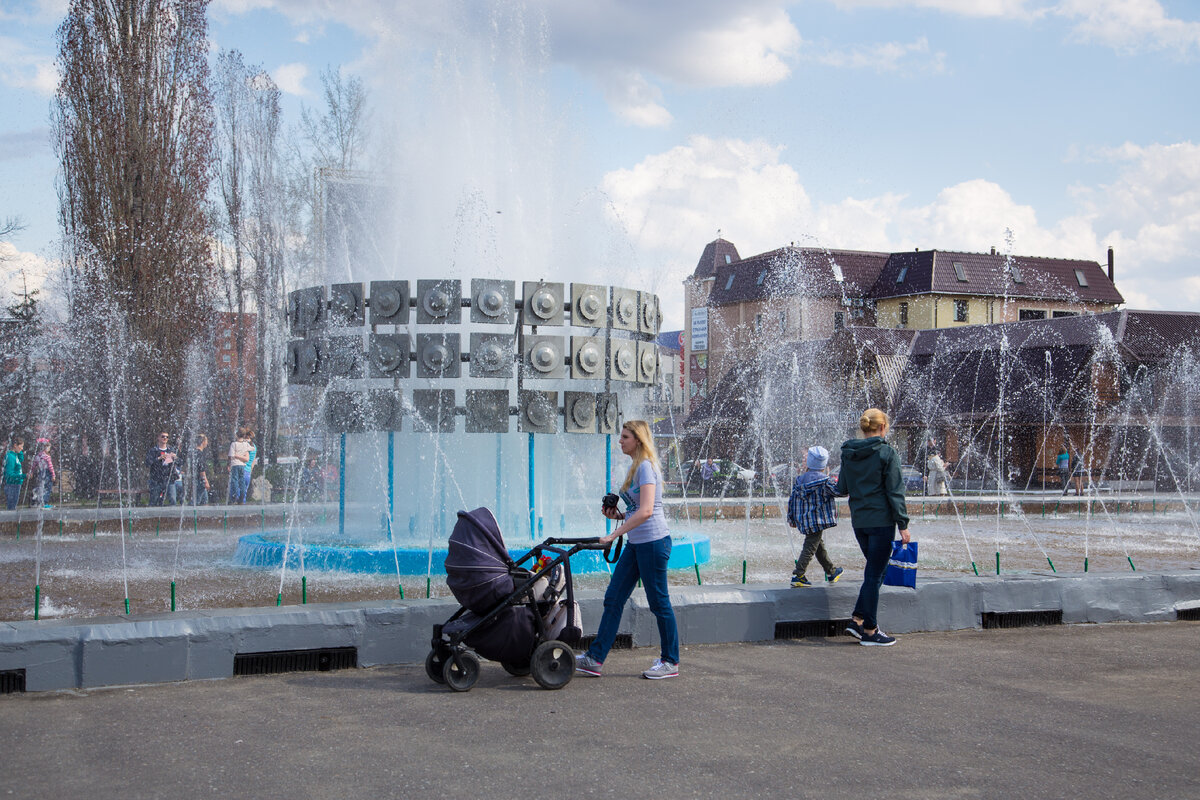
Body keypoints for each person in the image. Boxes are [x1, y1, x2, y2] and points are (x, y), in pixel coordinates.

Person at [576, 420, 680, 680]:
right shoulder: (635, 468)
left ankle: (670, 661)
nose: (620, 441)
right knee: (613, 598)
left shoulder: (646, 467)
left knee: (659, 602)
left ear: (638, 440)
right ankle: (595, 659)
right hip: (637, 544)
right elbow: (637, 510)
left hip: (653, 543)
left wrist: (613, 534)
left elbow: (647, 511)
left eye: (625, 437)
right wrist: (617, 515)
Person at [836, 408, 912, 647]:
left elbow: (842, 488)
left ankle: (857, 620)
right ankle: (870, 630)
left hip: (859, 522)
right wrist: (903, 525)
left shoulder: (848, 453)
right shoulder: (886, 453)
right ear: (882, 428)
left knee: (874, 572)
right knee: (875, 574)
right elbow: (895, 491)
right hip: (881, 522)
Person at [786, 445, 845, 587]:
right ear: (823, 464)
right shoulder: (825, 482)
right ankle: (798, 575)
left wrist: (791, 518)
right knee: (810, 546)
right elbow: (840, 492)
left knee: (817, 545)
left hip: (804, 520)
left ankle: (831, 571)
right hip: (818, 520)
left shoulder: (800, 480)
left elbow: (792, 499)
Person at [145, 431, 180, 506]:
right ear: (158, 438)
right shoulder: (153, 450)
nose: (165, 438)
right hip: (157, 479)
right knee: (154, 500)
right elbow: (148, 463)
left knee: (173, 499)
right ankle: (152, 516)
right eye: (163, 436)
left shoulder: (171, 450)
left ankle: (172, 516)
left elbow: (180, 463)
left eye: (167, 437)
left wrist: (175, 458)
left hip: (169, 478)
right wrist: (159, 458)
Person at [228, 428, 251, 504]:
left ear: (237, 435)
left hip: (235, 464)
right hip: (242, 465)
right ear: (244, 435)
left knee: (234, 481)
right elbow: (251, 449)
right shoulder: (245, 444)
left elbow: (231, 456)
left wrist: (229, 464)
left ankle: (234, 498)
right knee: (242, 481)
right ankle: (241, 498)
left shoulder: (234, 444)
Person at [32, 439, 56, 508]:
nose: (49, 449)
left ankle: (37, 494)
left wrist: (31, 472)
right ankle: (44, 503)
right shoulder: (47, 457)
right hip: (47, 473)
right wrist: (53, 475)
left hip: (40, 472)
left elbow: (33, 465)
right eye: (49, 447)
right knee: (48, 488)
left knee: (41, 487)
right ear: (45, 448)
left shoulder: (38, 456)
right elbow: (51, 467)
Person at [4, 438, 25, 511]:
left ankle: (9, 521)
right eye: (21, 446)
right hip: (12, 485)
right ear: (15, 445)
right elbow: (9, 475)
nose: (22, 449)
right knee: (11, 509)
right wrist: (23, 476)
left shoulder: (15, 455)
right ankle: (8, 522)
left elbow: (21, 459)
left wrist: (20, 451)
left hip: (15, 484)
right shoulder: (10, 457)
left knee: (12, 507)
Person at [192, 434, 211, 505]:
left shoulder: (194, 452)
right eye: (206, 441)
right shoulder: (199, 453)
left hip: (198, 479)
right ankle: (190, 513)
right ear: (203, 442)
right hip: (200, 481)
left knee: (204, 501)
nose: (207, 443)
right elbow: (201, 468)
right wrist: (205, 481)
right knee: (197, 500)